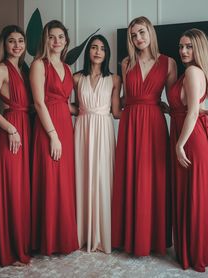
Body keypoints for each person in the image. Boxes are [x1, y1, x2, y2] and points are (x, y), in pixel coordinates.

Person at [111, 16, 177, 256]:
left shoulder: (169, 63)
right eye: (133, 36)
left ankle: (153, 238)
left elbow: (174, 99)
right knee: (131, 175)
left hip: (155, 124)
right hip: (131, 122)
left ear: (150, 32)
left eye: (141, 33)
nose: (138, 39)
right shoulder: (126, 63)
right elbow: (126, 98)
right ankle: (129, 237)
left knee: (153, 178)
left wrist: (198, 112)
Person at [168, 28, 208, 272]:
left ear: (197, 48)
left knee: (194, 194)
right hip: (193, 133)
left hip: (191, 139)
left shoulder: (191, 71)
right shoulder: (195, 72)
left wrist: (179, 144)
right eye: (181, 47)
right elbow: (194, 107)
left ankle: (195, 251)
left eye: (188, 46)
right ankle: (198, 249)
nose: (183, 51)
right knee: (194, 194)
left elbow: (189, 112)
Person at [30, 20, 79, 255]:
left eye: (60, 36)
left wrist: (89, 110)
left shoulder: (68, 69)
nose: (57, 41)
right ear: (45, 40)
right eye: (52, 36)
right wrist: (53, 135)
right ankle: (47, 240)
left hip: (65, 127)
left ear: (66, 41)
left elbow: (66, 103)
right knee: (49, 180)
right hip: (48, 128)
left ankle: (63, 238)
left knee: (64, 182)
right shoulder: (39, 65)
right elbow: (39, 103)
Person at [0, 25, 31, 266]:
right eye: (11, 41)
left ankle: (20, 243)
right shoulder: (1, 70)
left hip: (25, 131)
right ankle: (8, 249)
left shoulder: (22, 70)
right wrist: (11, 129)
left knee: (22, 190)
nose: (16, 45)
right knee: (11, 189)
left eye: (20, 40)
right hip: (10, 133)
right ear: (4, 44)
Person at [73, 34, 121, 253]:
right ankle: (81, 234)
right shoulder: (75, 78)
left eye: (102, 48)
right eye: (93, 47)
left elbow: (117, 112)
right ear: (88, 52)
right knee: (81, 177)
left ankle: (102, 234)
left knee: (102, 178)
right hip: (82, 129)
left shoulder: (114, 79)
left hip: (103, 129)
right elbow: (71, 106)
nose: (98, 51)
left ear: (107, 53)